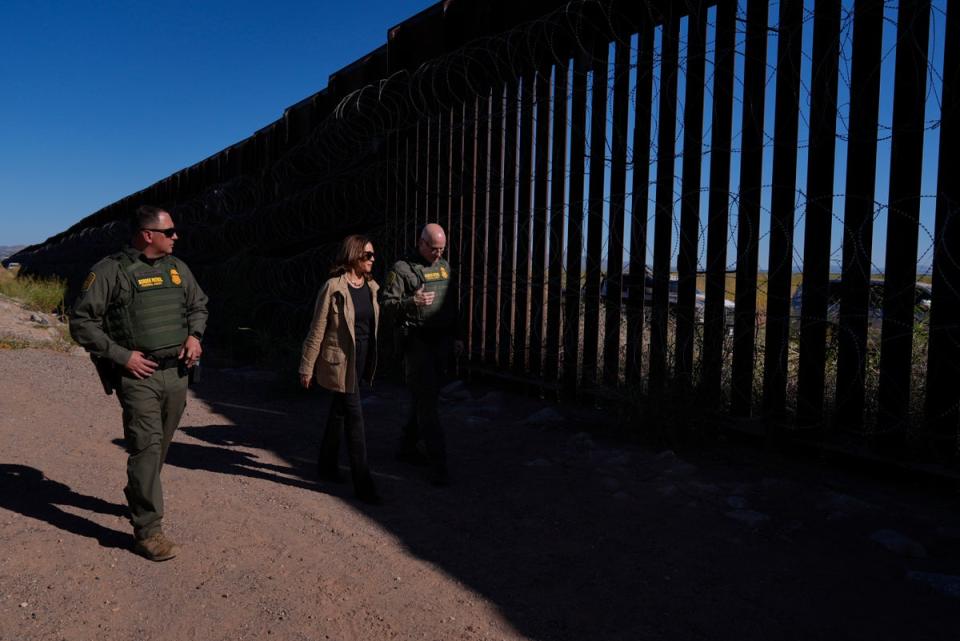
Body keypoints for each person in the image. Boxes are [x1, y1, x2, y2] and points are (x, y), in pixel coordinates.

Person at [70, 205, 208, 561]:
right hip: (137, 376)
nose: (177, 236)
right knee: (146, 447)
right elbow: (82, 322)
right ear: (149, 235)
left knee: (160, 447)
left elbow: (199, 305)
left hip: (176, 374)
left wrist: (195, 336)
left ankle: (139, 494)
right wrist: (122, 356)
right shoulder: (110, 272)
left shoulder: (178, 269)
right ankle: (148, 531)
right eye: (170, 231)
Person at [299, 235, 382, 505]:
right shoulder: (333, 287)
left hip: (362, 356)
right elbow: (317, 329)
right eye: (367, 255)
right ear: (353, 255)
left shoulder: (371, 287)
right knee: (355, 418)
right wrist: (306, 366)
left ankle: (326, 465)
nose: (372, 259)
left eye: (373, 255)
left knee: (339, 411)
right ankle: (363, 483)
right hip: (340, 361)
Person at [380, 223, 462, 486]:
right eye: (434, 249)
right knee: (427, 404)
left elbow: (450, 304)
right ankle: (440, 466)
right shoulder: (401, 270)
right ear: (421, 243)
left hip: (440, 344)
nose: (438, 254)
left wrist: (458, 335)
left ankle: (406, 447)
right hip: (416, 344)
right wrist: (410, 302)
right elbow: (386, 306)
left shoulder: (444, 267)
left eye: (442, 249)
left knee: (424, 398)